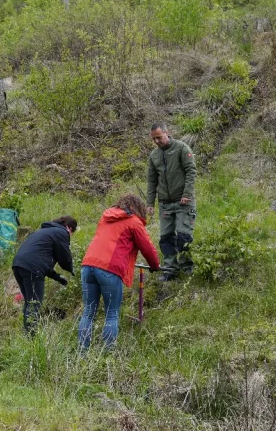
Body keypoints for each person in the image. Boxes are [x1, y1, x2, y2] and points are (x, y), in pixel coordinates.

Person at [78, 194, 161, 351]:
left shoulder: (106, 217)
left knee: (88, 312)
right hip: (109, 269)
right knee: (111, 314)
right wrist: (155, 265)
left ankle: (82, 353)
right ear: (139, 208)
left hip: (87, 265)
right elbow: (147, 248)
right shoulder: (134, 222)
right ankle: (108, 354)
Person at [146, 122, 197, 281]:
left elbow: (191, 171)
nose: (156, 141)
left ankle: (187, 266)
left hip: (184, 202)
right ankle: (170, 270)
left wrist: (187, 193)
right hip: (165, 204)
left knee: (183, 236)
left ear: (167, 133)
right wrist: (149, 203)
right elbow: (152, 180)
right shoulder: (154, 155)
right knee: (166, 237)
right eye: (153, 139)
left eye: (159, 137)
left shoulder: (182, 148)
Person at [11, 215, 77, 335]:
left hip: (18, 264)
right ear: (69, 227)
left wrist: (57, 277)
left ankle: (27, 333)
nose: (70, 236)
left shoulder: (44, 232)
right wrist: (73, 271)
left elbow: (42, 263)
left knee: (29, 302)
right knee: (34, 303)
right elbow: (64, 257)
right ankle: (31, 337)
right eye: (72, 232)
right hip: (31, 267)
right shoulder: (61, 232)